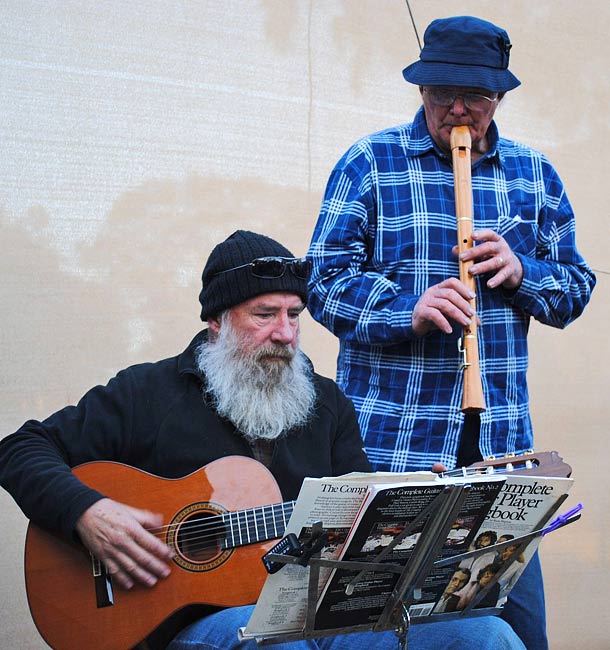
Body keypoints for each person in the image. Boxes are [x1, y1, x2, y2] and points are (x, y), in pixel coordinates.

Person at [0, 229, 525, 650]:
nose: (286, 334)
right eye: (264, 315)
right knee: (266, 637)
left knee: (487, 636)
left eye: (294, 315)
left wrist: (411, 510)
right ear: (216, 322)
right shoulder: (147, 393)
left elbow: (360, 517)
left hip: (316, 618)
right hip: (184, 629)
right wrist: (86, 514)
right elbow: (20, 448)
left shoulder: (326, 403)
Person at [306, 15, 596, 650]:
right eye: (443, 93)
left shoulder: (533, 173)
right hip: (392, 456)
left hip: (501, 456)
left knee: (518, 635)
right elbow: (321, 284)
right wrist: (405, 309)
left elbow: (576, 286)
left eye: (477, 96)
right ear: (420, 90)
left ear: (500, 97)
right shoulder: (368, 163)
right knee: (384, 633)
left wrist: (524, 274)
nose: (459, 109)